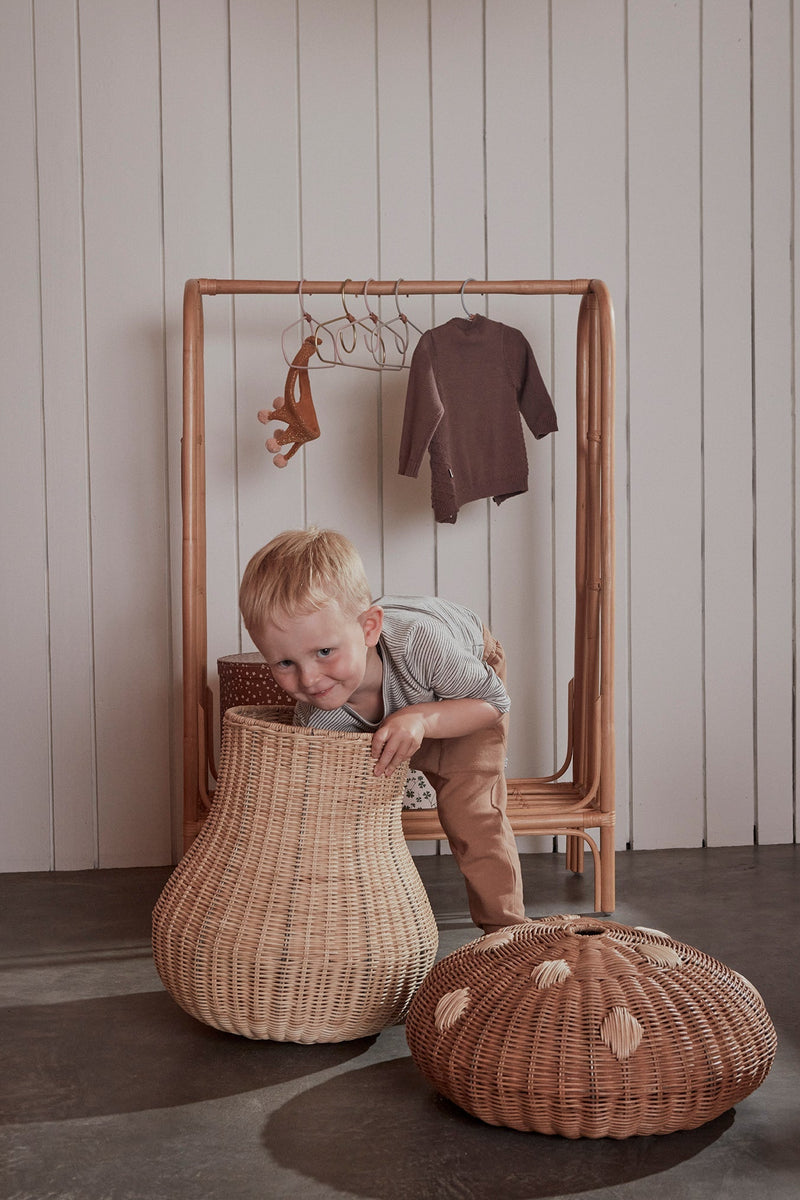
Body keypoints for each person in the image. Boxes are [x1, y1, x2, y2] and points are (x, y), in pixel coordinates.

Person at [239, 527, 525, 934]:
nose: (309, 679)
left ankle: (507, 932)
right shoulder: (317, 716)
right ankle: (354, 929)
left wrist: (422, 719)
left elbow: (494, 703)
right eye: (284, 663)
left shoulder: (420, 644)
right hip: (402, 702)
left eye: (324, 652)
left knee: (472, 813)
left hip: (464, 694)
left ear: (369, 628)